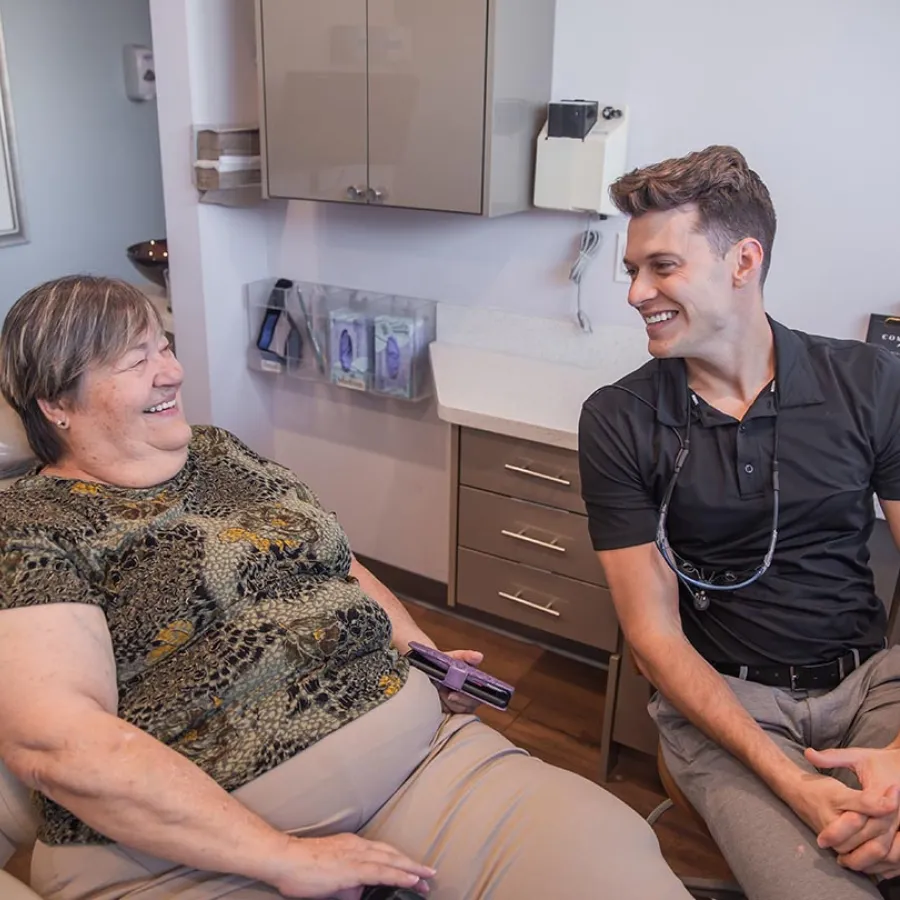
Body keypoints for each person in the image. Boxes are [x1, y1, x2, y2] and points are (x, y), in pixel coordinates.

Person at [0, 275, 692, 900]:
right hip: (197, 851)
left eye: (165, 346)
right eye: (138, 359)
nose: (173, 371)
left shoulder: (216, 451)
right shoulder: (30, 523)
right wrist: (278, 857)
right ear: (58, 402)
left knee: (607, 854)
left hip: (421, 768)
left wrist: (426, 657)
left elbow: (336, 564)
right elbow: (56, 741)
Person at [577, 144, 900, 900]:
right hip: (732, 709)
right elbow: (653, 640)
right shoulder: (620, 420)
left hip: (875, 684)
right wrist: (793, 784)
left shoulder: (868, 383)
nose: (635, 294)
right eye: (631, 270)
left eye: (661, 266)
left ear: (743, 260)